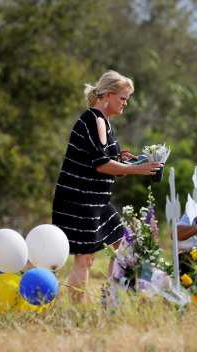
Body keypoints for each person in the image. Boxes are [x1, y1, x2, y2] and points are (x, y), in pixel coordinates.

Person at [52, 70, 163, 302]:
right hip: (80, 199)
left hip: (97, 201)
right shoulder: (94, 120)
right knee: (85, 259)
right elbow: (101, 164)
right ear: (108, 96)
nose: (125, 104)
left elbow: (103, 158)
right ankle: (77, 310)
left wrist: (124, 159)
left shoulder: (104, 121)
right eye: (123, 98)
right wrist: (137, 170)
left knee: (124, 245)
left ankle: (112, 297)